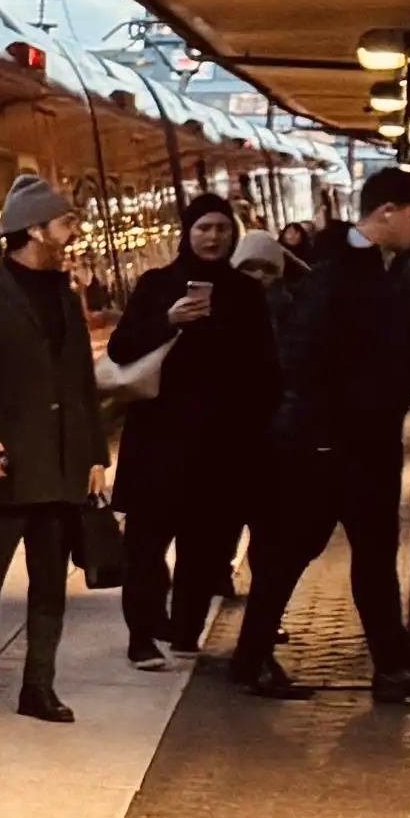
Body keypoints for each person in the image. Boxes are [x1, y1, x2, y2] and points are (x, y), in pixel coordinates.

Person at [232, 165, 410, 703]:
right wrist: (323, 431)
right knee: (292, 552)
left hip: (371, 443)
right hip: (323, 445)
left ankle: (393, 669)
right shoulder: (336, 275)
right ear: (386, 213)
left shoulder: (394, 272)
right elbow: (302, 359)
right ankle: (251, 659)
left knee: (374, 556)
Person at [0, 178, 107, 721]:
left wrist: (96, 456)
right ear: (34, 230)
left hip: (60, 465)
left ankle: (39, 688)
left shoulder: (65, 296)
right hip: (5, 464)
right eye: (65, 223)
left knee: (50, 585)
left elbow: (81, 382)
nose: (72, 232)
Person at [103, 193, 273, 666]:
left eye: (221, 228)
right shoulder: (157, 285)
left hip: (220, 442)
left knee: (204, 546)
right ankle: (141, 635)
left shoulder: (246, 292)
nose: (213, 237)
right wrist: (168, 320)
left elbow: (264, 365)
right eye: (203, 228)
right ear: (187, 233)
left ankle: (184, 631)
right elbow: (120, 349)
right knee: (145, 545)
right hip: (158, 439)